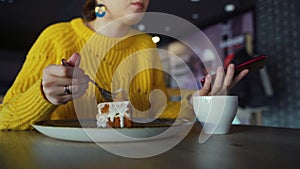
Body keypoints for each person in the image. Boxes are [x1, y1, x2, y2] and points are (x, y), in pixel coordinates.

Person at [0, 0, 248, 130]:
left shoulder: (144, 45)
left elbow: (153, 110)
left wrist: (197, 101)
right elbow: (5, 120)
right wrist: (43, 95)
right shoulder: (57, 37)